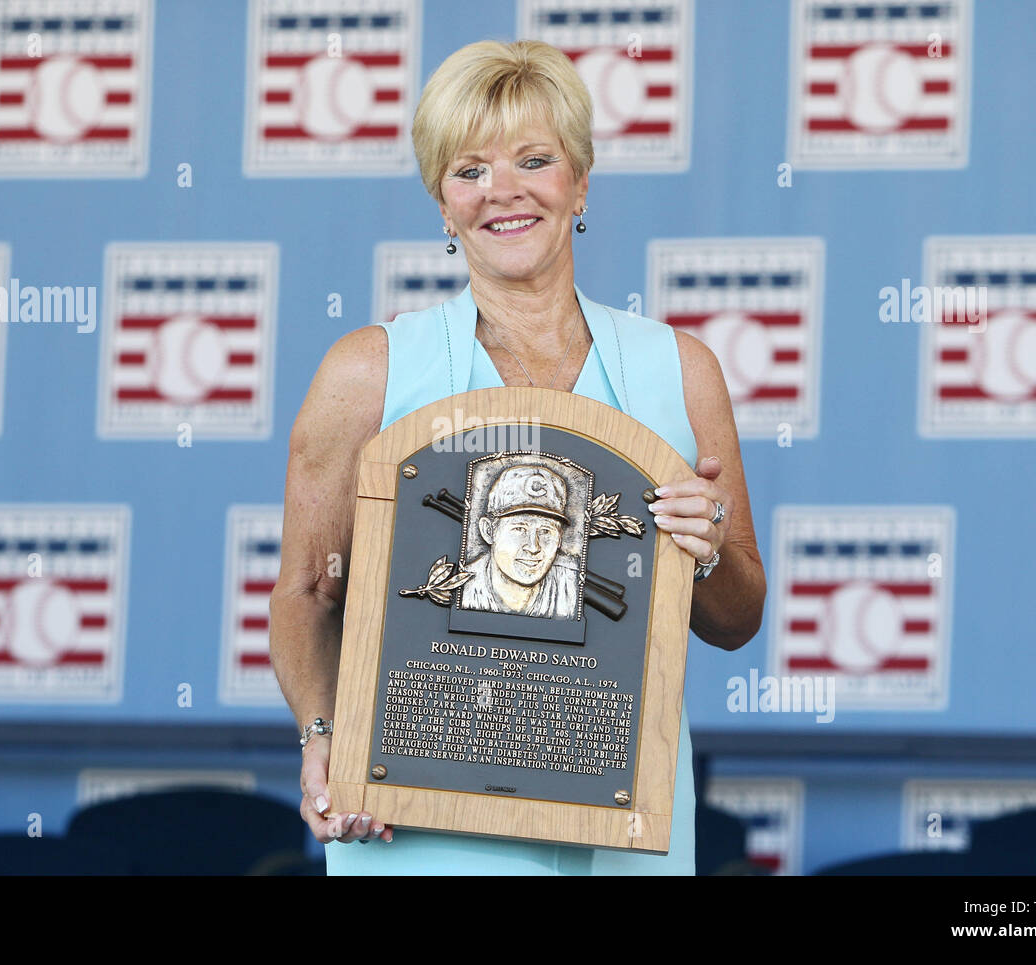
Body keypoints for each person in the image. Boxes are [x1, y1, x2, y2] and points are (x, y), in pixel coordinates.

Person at [270, 38, 766, 875]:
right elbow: (307, 592)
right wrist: (324, 735)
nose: (502, 192)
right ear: (440, 201)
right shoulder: (365, 371)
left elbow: (737, 616)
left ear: (580, 181)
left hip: (624, 824)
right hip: (414, 829)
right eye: (468, 171)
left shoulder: (679, 370)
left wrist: (709, 551)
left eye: (534, 160)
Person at [459, 462, 581, 619]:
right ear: (488, 531)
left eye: (545, 531)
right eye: (519, 529)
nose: (533, 547)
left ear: (560, 538)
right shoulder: (462, 587)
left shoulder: (572, 588)